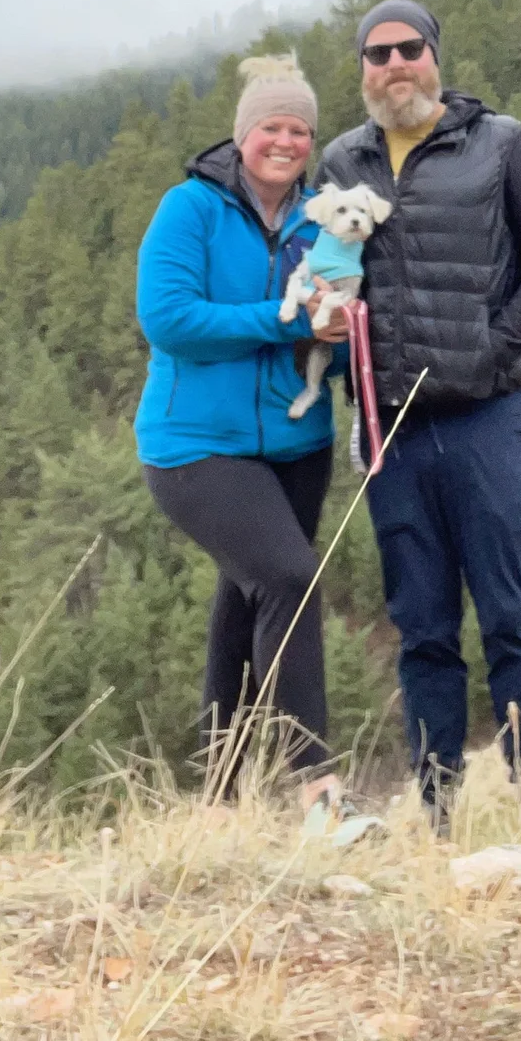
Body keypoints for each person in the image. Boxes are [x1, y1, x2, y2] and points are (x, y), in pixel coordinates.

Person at [317, 0, 521, 827]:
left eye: (409, 49)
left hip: (487, 422)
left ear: (435, 55)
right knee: (422, 629)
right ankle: (437, 810)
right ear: (362, 69)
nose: (395, 65)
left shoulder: (503, 145)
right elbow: (329, 272)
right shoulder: (341, 163)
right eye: (377, 53)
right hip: (391, 433)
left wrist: (493, 353)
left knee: (510, 615)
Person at [134, 54, 348, 805]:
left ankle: (220, 799)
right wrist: (284, 319)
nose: (285, 142)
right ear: (241, 135)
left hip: (299, 446)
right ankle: (315, 787)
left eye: (299, 130)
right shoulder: (189, 208)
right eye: (271, 128)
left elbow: (333, 329)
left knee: (247, 604)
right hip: (194, 447)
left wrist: (339, 331)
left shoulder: (321, 218)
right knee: (289, 577)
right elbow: (169, 320)